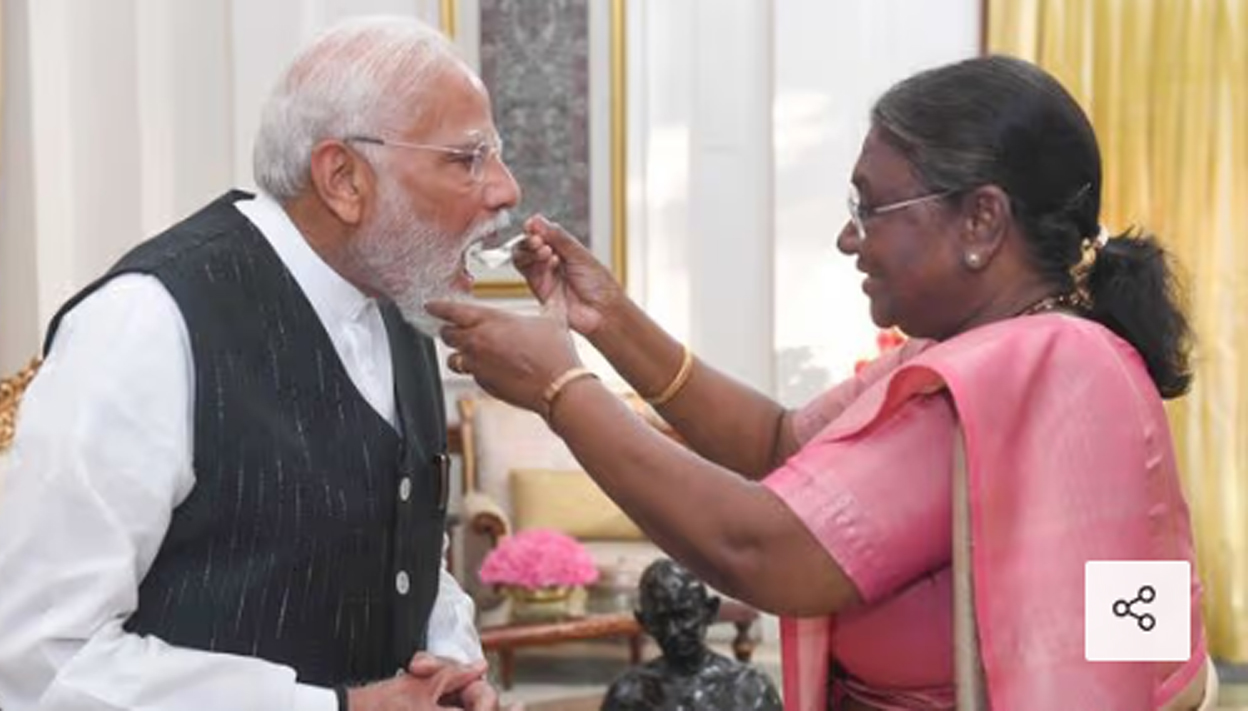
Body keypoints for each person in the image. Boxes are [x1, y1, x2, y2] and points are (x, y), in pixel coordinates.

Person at [428, 55, 1214, 710]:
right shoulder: (985, 350)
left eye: (871, 208)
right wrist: (613, 321)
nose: (848, 238)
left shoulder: (1039, 366)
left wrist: (562, 390)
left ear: (981, 221)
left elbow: (765, 548)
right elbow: (778, 442)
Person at [0, 16, 521, 711]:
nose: (504, 189)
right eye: (467, 157)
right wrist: (335, 708)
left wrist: (453, 669)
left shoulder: (397, 299)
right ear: (343, 178)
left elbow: (406, 554)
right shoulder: (146, 323)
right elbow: (43, 662)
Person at [601, 559, 782, 711]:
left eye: (684, 616)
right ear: (645, 622)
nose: (673, 631)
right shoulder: (629, 693)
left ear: (709, 612)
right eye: (661, 619)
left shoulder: (749, 688)